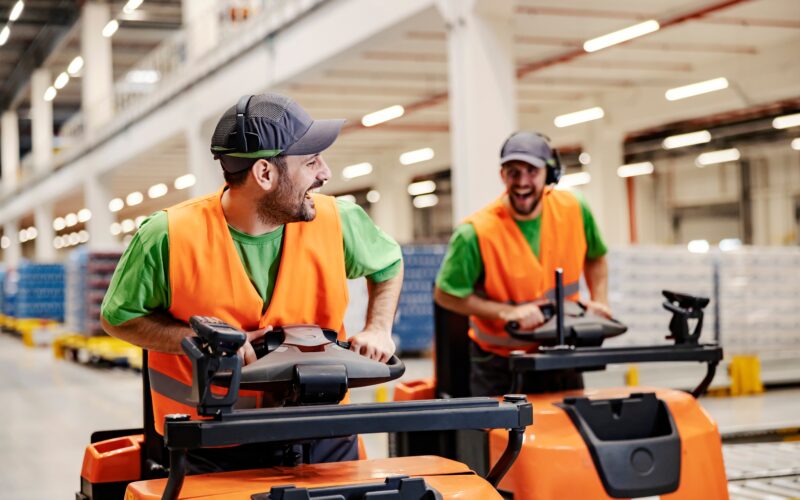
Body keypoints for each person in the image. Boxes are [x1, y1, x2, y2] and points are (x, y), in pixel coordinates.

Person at [101, 93, 403, 471]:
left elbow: (388, 264)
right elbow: (119, 318)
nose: (325, 173)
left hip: (323, 429)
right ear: (264, 174)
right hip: (210, 441)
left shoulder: (339, 220)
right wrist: (192, 341)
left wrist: (378, 328)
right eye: (311, 161)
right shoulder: (167, 235)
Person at [433, 131, 610, 397]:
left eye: (532, 171)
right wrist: (506, 312)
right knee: (502, 427)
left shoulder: (575, 208)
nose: (522, 182)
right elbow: (446, 295)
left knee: (566, 423)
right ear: (502, 175)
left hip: (561, 354)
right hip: (499, 364)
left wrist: (600, 301)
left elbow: (596, 256)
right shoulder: (475, 232)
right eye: (513, 172)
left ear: (549, 173)